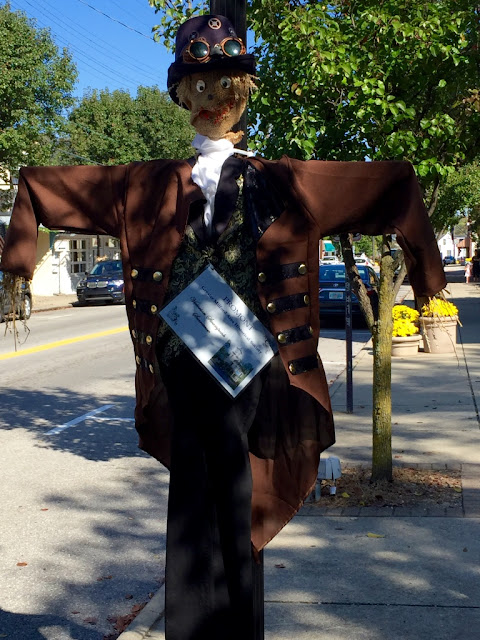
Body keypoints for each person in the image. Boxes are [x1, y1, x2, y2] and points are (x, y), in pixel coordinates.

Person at [0, 14, 447, 640]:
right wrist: (19, 260)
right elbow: (43, 186)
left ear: (244, 93)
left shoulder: (286, 181)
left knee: (238, 495)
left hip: (253, 363)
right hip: (181, 363)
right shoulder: (144, 185)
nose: (213, 98)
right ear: (182, 95)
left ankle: (237, 626)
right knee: (190, 503)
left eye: (225, 86)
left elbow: (391, 184)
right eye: (200, 86)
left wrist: (428, 277)